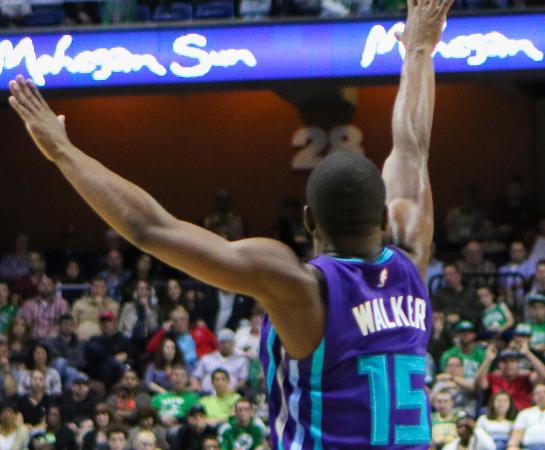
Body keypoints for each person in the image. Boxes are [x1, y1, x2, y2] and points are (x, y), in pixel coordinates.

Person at [8, 0, 451, 448]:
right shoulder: (412, 255)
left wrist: (62, 151)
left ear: (308, 221)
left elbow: (149, 228)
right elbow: (413, 145)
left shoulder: (300, 287)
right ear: (382, 216)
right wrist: (419, 47)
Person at [474, 347, 545, 411]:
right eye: (505, 362)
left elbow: (543, 375)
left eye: (512, 361)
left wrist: (528, 353)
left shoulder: (526, 376)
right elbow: (478, 383)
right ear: (499, 364)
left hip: (522, 412)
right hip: (499, 412)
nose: (508, 365)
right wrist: (488, 359)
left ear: (518, 363)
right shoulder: (493, 377)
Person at [146, 308, 216, 369]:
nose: (179, 322)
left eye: (182, 319)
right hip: (182, 367)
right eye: (176, 320)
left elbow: (217, 345)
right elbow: (150, 348)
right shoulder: (170, 338)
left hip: (202, 362)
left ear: (187, 320)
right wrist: (163, 331)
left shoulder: (202, 331)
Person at [82, 311, 136, 389]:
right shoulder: (94, 341)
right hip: (99, 374)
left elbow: (134, 351)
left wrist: (126, 355)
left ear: (115, 323)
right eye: (103, 322)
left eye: (109, 321)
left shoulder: (123, 340)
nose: (106, 324)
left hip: (119, 373)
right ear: (99, 324)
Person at [190, 329, 249, 394]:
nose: (226, 345)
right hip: (206, 394)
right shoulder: (207, 358)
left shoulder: (242, 360)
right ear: (218, 344)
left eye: (229, 342)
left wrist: (233, 390)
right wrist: (197, 387)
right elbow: (195, 376)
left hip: (229, 394)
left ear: (233, 344)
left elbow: (242, 381)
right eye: (223, 343)